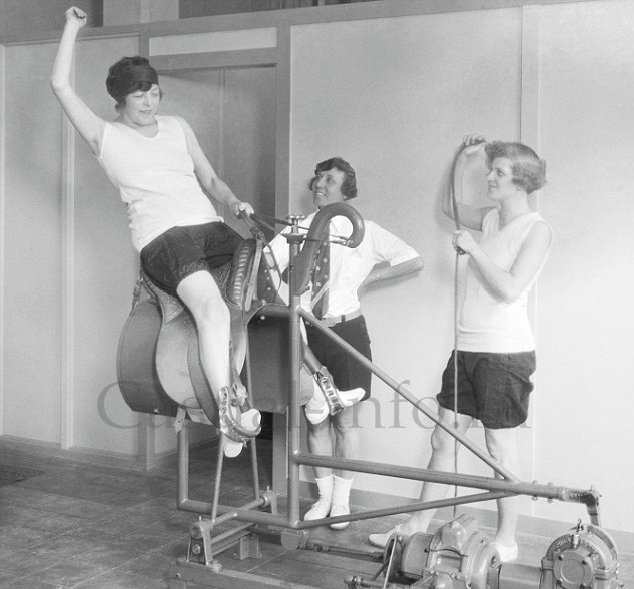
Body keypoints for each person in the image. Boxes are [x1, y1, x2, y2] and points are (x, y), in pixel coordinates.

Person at [50, 7, 260, 458]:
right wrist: (71, 27)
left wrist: (234, 202)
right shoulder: (104, 136)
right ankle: (225, 412)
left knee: (270, 280)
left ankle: (309, 386)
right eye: (139, 96)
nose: (149, 103)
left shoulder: (177, 127)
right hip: (164, 238)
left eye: (154, 93)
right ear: (119, 100)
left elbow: (210, 179)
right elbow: (60, 86)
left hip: (210, 227)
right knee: (211, 308)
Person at [368, 135, 552, 562]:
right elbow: (450, 206)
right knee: (443, 438)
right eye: (490, 170)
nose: (489, 177)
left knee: (499, 449)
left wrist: (473, 251)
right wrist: (460, 159)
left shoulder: (536, 230)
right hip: (467, 348)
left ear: (521, 182)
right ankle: (415, 525)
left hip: (505, 354)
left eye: (498, 172)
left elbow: (509, 289)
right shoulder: (490, 219)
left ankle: (507, 539)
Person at [267, 157, 423, 529]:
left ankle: (341, 503)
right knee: (315, 419)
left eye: (331, 180)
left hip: (346, 331)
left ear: (346, 191)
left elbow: (413, 260)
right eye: (318, 178)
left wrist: (368, 280)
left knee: (345, 421)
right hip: (307, 332)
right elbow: (267, 264)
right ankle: (323, 499)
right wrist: (289, 301)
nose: (320, 184)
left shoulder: (364, 230)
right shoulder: (298, 228)